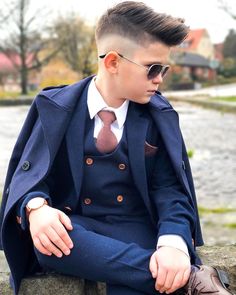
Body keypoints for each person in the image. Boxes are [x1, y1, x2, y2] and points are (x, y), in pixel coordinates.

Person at [0, 2, 233, 295]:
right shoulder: (55, 108)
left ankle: (167, 272)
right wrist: (36, 208)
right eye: (153, 68)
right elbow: (31, 176)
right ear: (112, 62)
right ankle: (190, 280)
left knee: (135, 281)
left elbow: (170, 190)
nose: (160, 79)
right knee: (49, 243)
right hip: (80, 231)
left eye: (164, 69)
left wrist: (173, 243)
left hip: (137, 230)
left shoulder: (157, 116)